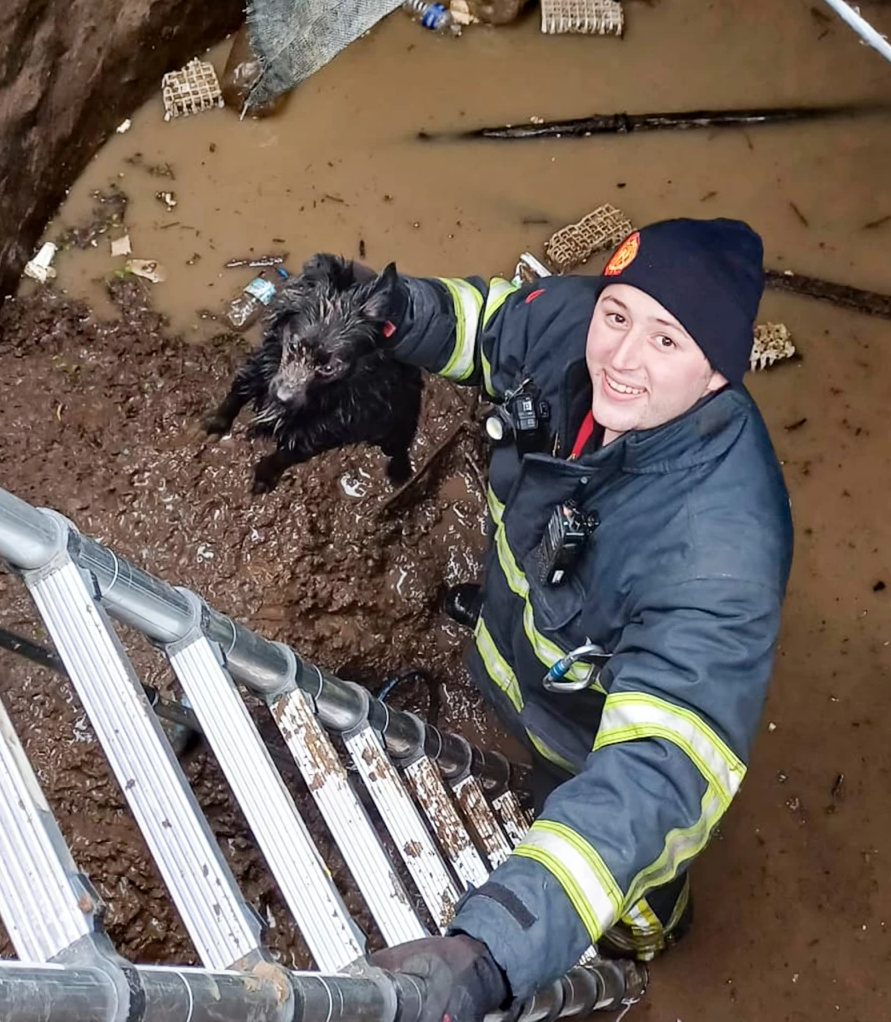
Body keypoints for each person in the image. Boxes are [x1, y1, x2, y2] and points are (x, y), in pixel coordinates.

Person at [336, 218, 792, 1021]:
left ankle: (654, 944)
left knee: (637, 892)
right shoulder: (573, 324)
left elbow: (657, 776)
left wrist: (490, 952)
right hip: (520, 649)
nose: (620, 358)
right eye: (617, 317)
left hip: (585, 744)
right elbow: (484, 325)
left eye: (666, 342)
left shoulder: (718, 554)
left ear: (718, 373)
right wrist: (382, 309)